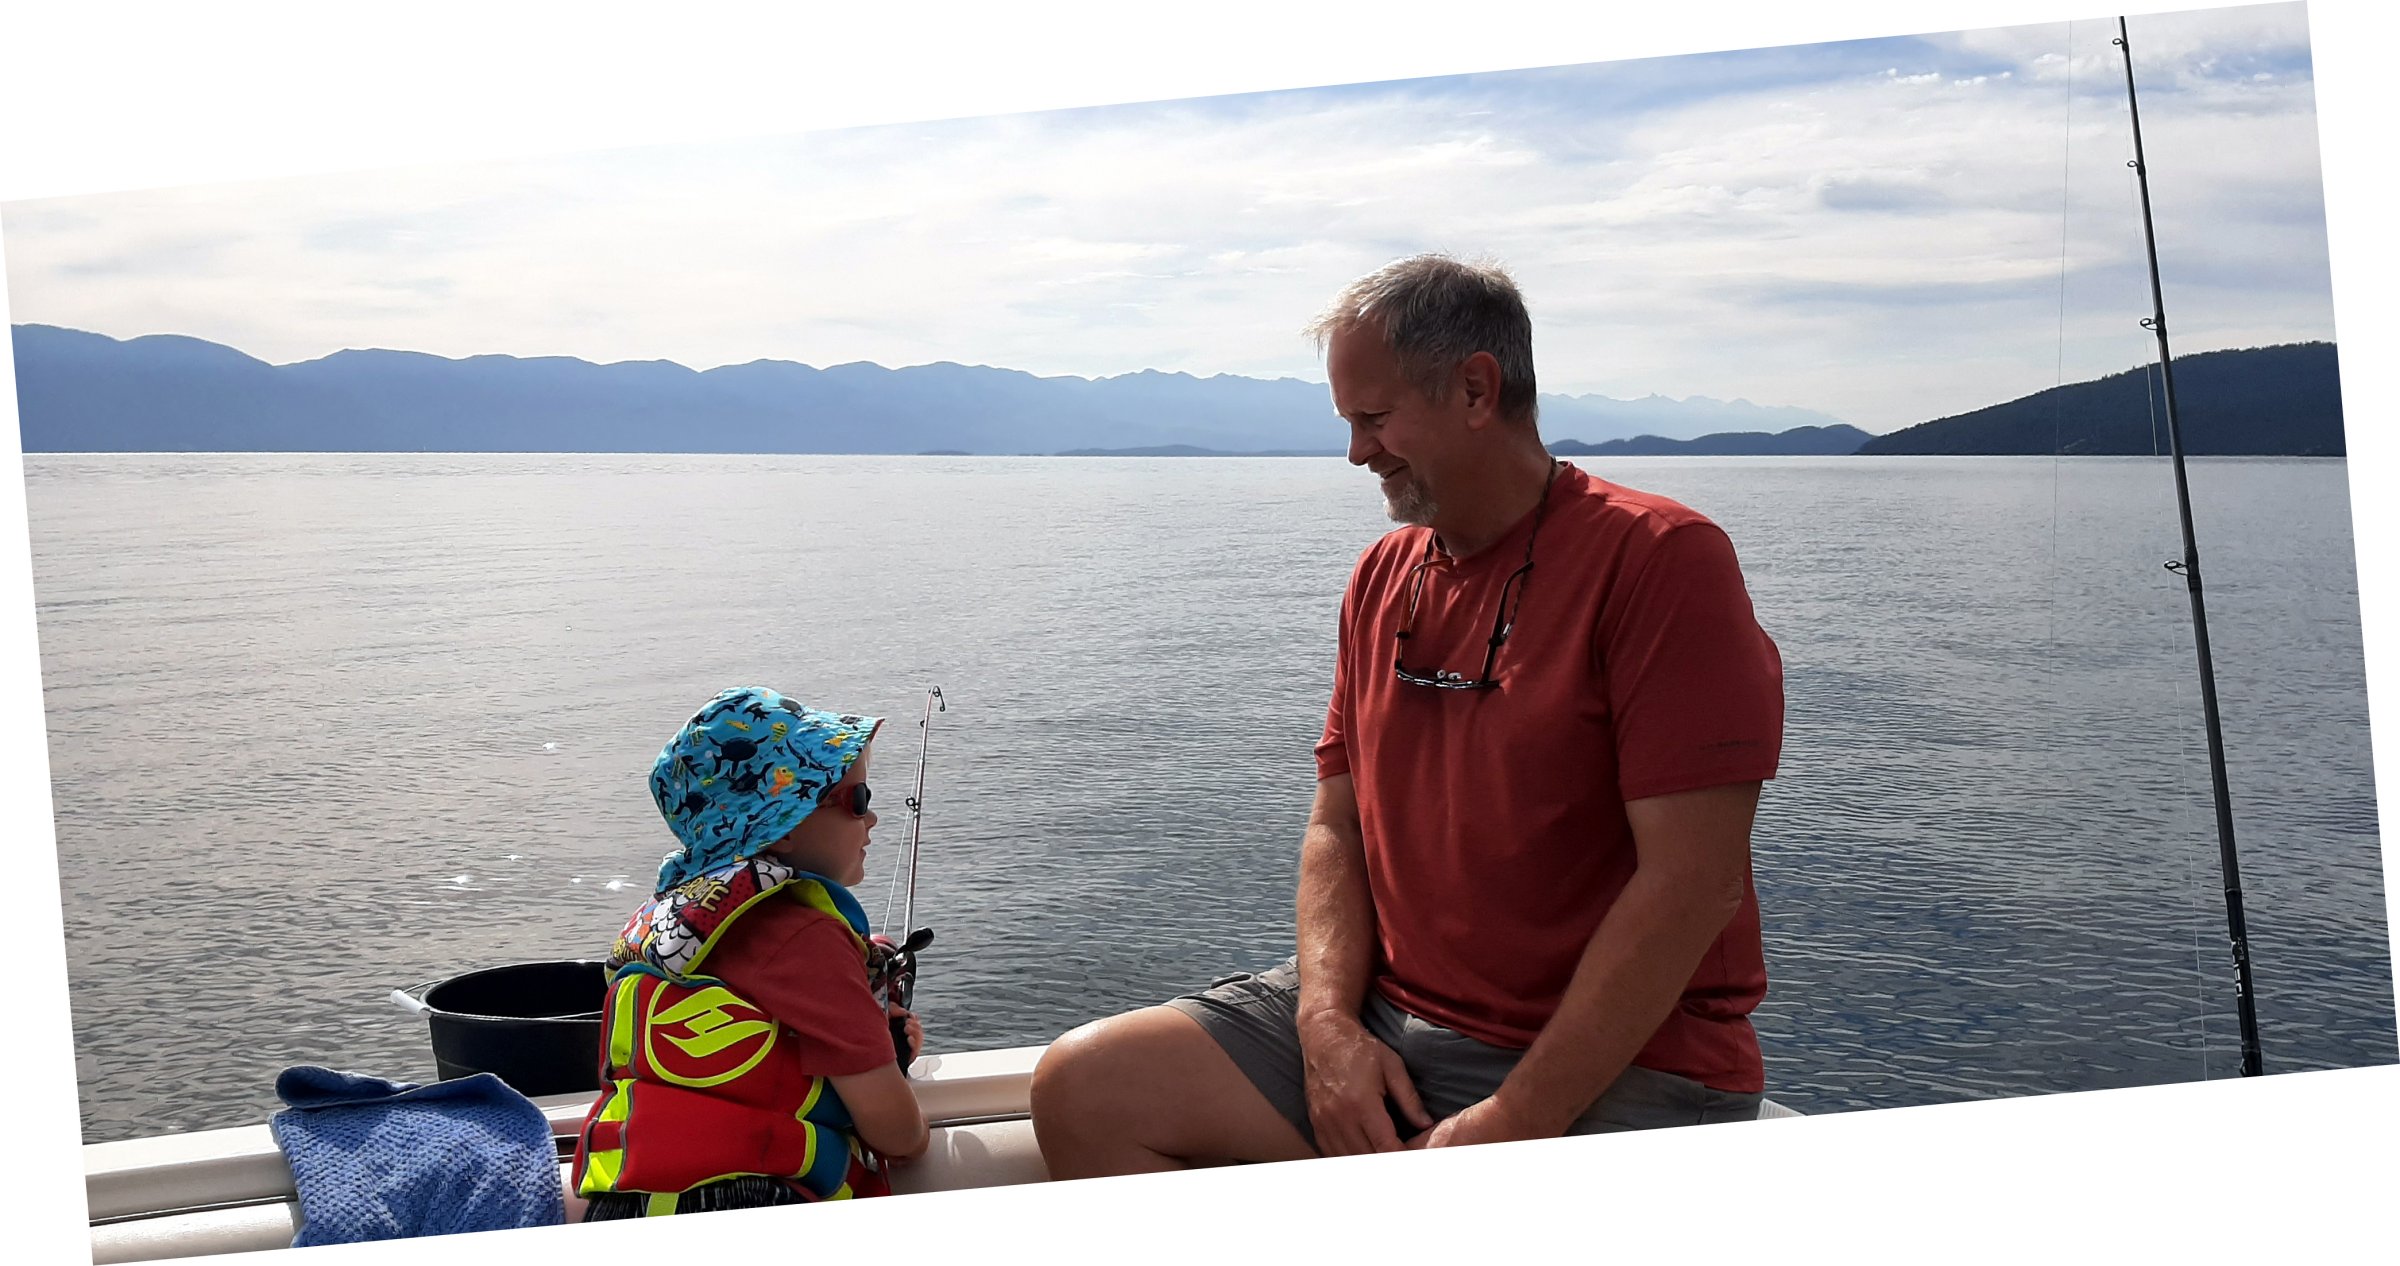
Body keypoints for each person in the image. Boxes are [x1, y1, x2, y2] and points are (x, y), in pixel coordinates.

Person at [1030, 254, 1784, 1175]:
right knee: (1086, 1089)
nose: (1358, 453)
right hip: (1391, 1021)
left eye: (1375, 419)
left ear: (1476, 390)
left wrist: (1514, 1120)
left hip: (1621, 1065)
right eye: (1350, 423)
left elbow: (1692, 883)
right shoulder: (1383, 577)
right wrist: (1326, 1028)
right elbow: (1337, 826)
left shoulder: (1661, 560)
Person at [570, 685, 929, 1218]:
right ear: (782, 828)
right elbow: (898, 1135)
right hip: (748, 1206)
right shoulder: (809, 941)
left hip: (623, 1209)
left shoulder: (680, 926)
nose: (871, 818)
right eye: (858, 800)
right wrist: (898, 1083)